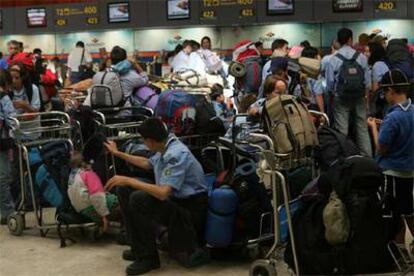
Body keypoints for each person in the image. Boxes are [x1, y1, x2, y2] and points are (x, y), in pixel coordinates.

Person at [104, 118, 208, 275]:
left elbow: (162, 193)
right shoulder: (165, 145)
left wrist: (129, 180)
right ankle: (138, 248)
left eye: (143, 140)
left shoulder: (176, 154)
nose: (143, 143)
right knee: (123, 189)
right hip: (176, 202)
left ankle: (149, 258)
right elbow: (147, 163)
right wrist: (118, 153)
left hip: (189, 210)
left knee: (138, 198)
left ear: (150, 141)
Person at [367, 69, 414, 248]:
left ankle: (397, 244)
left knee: (392, 211)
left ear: (391, 91)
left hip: (391, 171)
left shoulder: (393, 117)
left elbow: (381, 148)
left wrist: (373, 128)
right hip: (408, 170)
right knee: (408, 209)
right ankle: (402, 244)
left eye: (384, 92)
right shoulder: (411, 110)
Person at [326, 28, 372, 156]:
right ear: (350, 39)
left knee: (342, 130)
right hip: (359, 97)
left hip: (341, 98)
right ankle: (367, 157)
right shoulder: (361, 57)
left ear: (339, 41)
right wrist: (366, 99)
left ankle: (345, 158)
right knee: (362, 128)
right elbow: (367, 83)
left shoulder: (333, 59)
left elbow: (330, 84)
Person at [67, 151, 118, 230]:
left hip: (83, 210)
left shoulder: (71, 177)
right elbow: (97, 195)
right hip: (94, 207)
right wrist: (103, 214)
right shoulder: (89, 174)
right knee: (123, 203)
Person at [0, 69, 16, 224]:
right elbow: (12, 119)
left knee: (3, 177)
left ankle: (6, 211)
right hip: (3, 142)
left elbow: (11, 120)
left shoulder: (4, 97)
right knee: (4, 177)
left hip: (3, 142)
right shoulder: (4, 97)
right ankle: (7, 210)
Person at [9, 62, 41, 139]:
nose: (13, 81)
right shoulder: (7, 90)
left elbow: (35, 113)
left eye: (17, 78)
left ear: (23, 77)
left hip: (32, 132)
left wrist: (24, 105)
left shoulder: (33, 89)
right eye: (11, 78)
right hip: (14, 133)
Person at [299, 46, 324, 112]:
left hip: (299, 105)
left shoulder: (299, 69)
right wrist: (322, 112)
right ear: (314, 57)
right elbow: (318, 95)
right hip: (313, 106)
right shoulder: (315, 73)